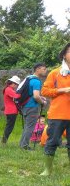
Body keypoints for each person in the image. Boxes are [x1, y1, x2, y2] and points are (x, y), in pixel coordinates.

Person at [40, 43, 70, 175]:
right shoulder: (55, 73)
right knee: (52, 141)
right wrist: (62, 90)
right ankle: (48, 169)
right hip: (58, 114)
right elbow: (45, 91)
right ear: (64, 55)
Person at [19, 63, 48, 150]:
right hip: (32, 107)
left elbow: (31, 94)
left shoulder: (29, 79)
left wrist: (40, 97)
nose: (45, 71)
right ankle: (25, 146)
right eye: (44, 69)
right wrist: (42, 102)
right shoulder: (36, 81)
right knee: (30, 127)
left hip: (25, 106)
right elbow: (35, 96)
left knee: (27, 126)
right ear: (38, 69)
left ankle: (22, 144)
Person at [1, 75, 22, 144]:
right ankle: (4, 141)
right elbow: (17, 96)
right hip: (11, 111)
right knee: (9, 127)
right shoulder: (8, 89)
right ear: (13, 83)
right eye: (16, 85)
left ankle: (4, 141)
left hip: (10, 111)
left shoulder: (8, 89)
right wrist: (22, 92)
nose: (16, 86)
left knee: (9, 126)